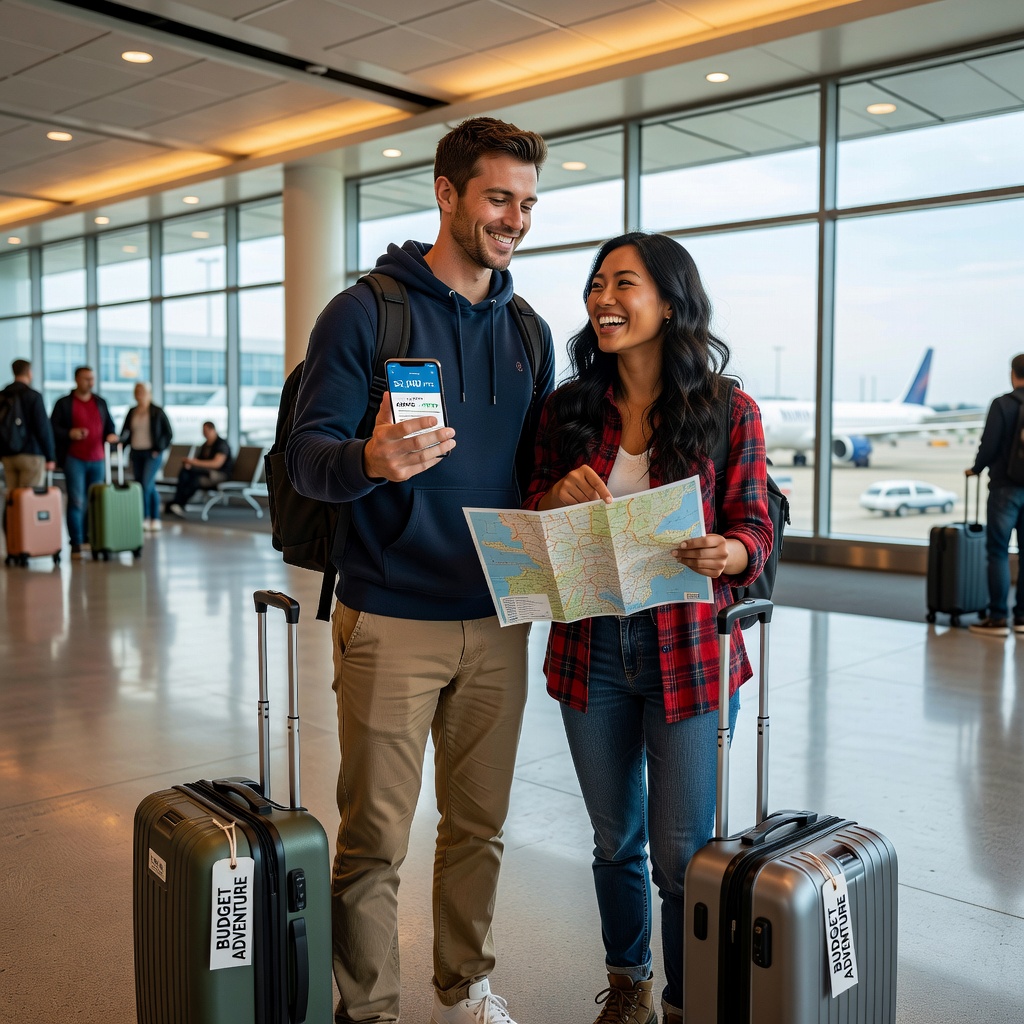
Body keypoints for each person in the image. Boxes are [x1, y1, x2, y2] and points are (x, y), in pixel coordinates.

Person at [287, 117, 554, 1024]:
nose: (514, 218)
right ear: (446, 192)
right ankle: (368, 1010)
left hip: (497, 617)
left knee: (480, 827)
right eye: (498, 198)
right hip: (392, 615)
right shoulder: (366, 312)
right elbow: (306, 459)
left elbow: (527, 473)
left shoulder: (528, 331)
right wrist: (369, 459)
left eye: (527, 203)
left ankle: (467, 986)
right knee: (374, 838)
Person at [522, 232, 773, 1024]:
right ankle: (628, 983)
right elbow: (528, 514)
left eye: (623, 283)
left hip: (690, 655)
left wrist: (729, 551)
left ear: (669, 302)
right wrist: (552, 501)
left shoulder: (728, 409)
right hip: (590, 649)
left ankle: (684, 1002)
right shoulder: (566, 409)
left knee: (681, 856)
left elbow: (757, 528)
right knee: (615, 841)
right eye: (597, 283)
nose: (603, 298)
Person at [965, 353, 1024, 637]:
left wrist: (976, 468)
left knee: (999, 552)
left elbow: (988, 445)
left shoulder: (1002, 404)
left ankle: (998, 617)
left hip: (1004, 487)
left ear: (1013, 374)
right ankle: (1022, 618)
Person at [50, 365, 120, 558]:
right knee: (77, 501)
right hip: (75, 459)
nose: (90, 382)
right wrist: (69, 433)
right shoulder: (64, 403)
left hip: (98, 459)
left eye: (92, 378)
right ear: (76, 380)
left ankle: (92, 539)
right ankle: (77, 542)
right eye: (86, 379)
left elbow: (110, 426)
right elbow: (52, 429)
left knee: (95, 501)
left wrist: (111, 436)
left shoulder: (100, 402)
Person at [120, 382, 173, 532]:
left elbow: (168, 434)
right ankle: (152, 517)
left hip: (152, 453)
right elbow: (126, 433)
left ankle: (147, 517)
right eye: (137, 391)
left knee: (146, 484)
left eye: (142, 391)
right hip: (136, 452)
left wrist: (158, 449)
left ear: (149, 393)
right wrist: (120, 445)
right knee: (144, 485)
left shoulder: (157, 411)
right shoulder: (132, 412)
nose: (139, 394)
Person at [1, 358, 56, 491]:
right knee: (28, 497)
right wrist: (50, 457)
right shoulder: (33, 396)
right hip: (31, 454)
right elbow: (42, 428)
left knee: (12, 496)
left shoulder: (3, 395)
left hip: (7, 454)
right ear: (29, 372)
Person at [166, 421, 232, 517]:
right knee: (185, 472)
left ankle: (179, 502)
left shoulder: (221, 444)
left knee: (195, 480)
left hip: (219, 475)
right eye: (203, 431)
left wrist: (194, 463)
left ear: (213, 430)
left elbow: (216, 464)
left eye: (206, 431)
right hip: (205, 472)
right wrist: (191, 464)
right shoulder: (205, 445)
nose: (204, 434)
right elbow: (199, 460)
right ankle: (178, 502)